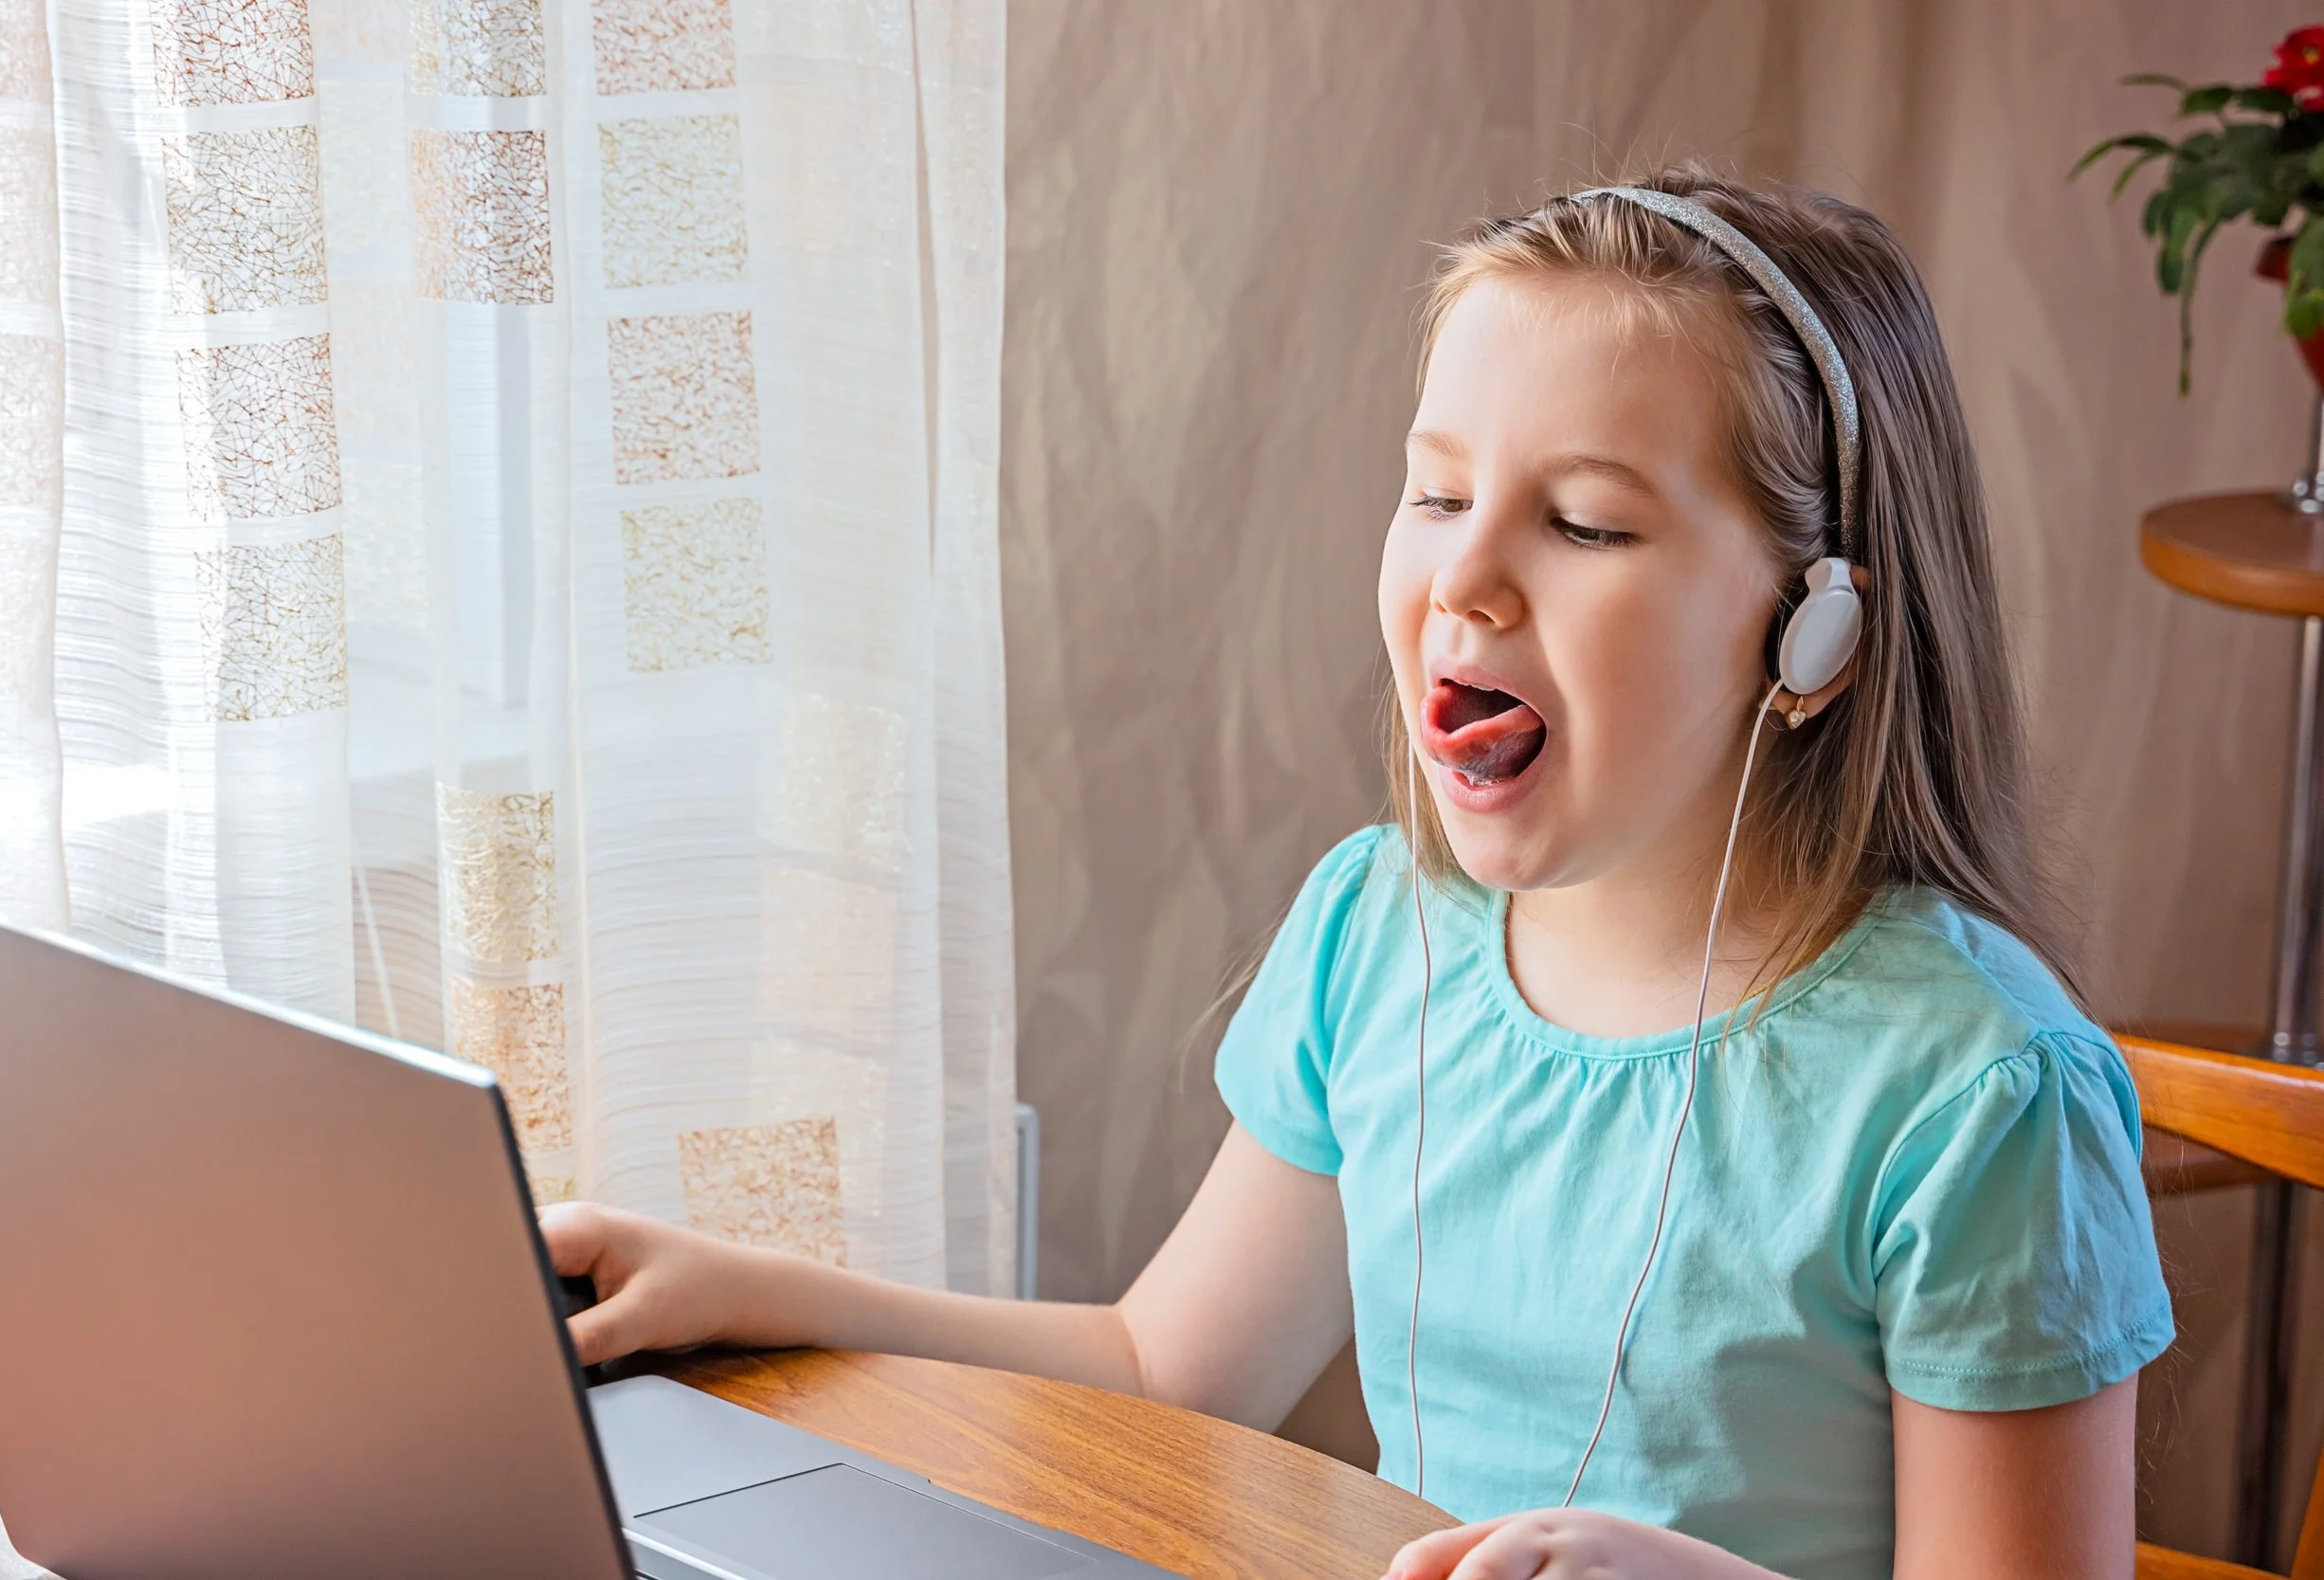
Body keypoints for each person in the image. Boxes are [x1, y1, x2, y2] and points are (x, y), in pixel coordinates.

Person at [541, 165, 2170, 1580]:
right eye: (1440, 493)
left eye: (1585, 525)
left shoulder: (1982, 1096)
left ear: (1811, 630)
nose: (1465, 574)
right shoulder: (1380, 931)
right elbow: (1163, 1369)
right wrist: (743, 1292)